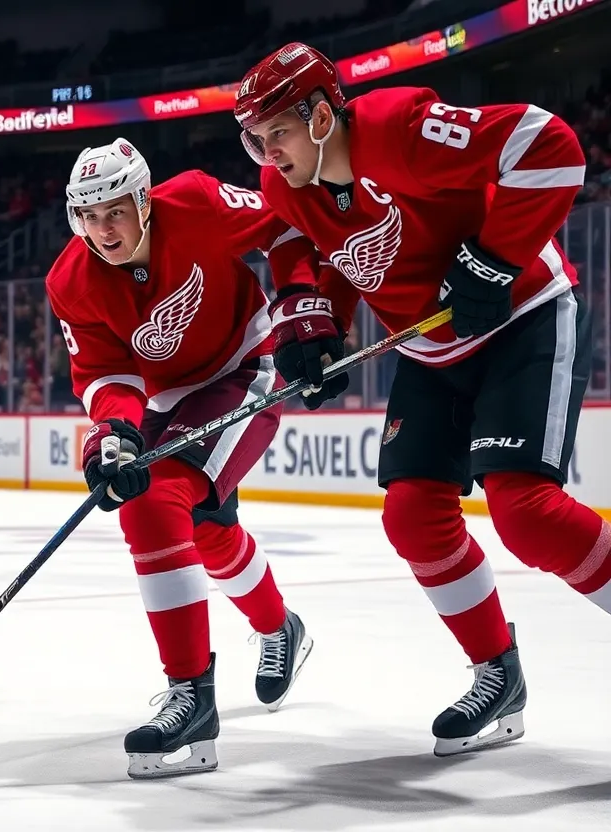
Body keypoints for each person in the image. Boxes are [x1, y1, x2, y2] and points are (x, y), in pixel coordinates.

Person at [235, 42, 607, 757]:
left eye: (275, 130)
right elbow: (331, 252)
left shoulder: (400, 129)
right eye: (254, 135)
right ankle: (498, 674)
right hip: (429, 350)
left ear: (320, 117)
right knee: (412, 516)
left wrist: (494, 258)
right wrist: (318, 325)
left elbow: (550, 146)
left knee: (526, 514)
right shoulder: (289, 186)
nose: (264, 150)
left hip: (523, 316)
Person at [46, 137, 322, 779]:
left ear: (144, 200)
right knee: (208, 531)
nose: (102, 229)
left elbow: (283, 223)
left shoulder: (196, 201)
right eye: (88, 215)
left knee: (153, 502)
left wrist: (304, 307)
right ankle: (282, 627)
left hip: (243, 366)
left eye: (115, 210)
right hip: (166, 398)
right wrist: (113, 435)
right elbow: (103, 371)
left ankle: (192, 695)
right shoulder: (70, 280)